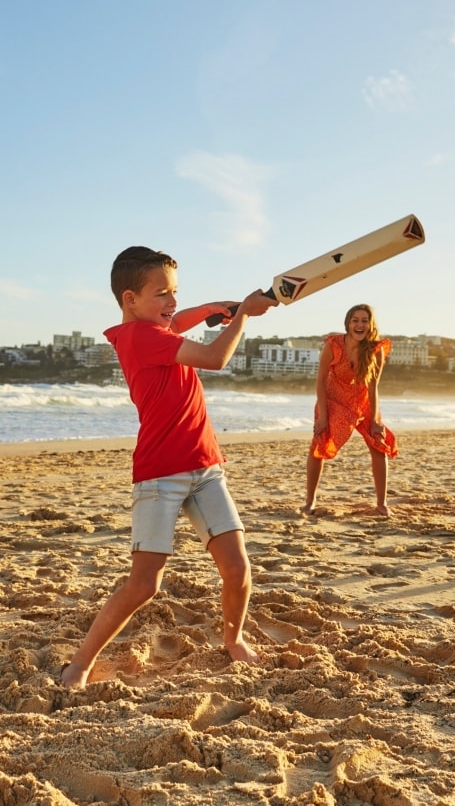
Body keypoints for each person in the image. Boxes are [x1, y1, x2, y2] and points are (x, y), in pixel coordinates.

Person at [59, 246, 277, 690]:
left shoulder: (155, 326)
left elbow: (182, 319)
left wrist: (218, 307)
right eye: (162, 294)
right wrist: (243, 317)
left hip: (205, 466)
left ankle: (232, 640)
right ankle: (81, 663)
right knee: (144, 586)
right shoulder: (142, 337)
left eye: (174, 291)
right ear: (129, 300)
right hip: (160, 473)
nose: (172, 303)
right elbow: (216, 359)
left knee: (238, 569)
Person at [303, 303, 398, 518]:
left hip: (362, 401)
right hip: (334, 400)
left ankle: (382, 504)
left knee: (378, 443)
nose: (360, 325)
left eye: (364, 320)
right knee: (320, 442)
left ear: (370, 324)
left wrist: (374, 419)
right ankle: (310, 502)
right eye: (355, 320)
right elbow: (320, 381)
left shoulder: (376, 349)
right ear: (348, 323)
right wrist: (323, 416)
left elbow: (374, 387)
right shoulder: (333, 345)